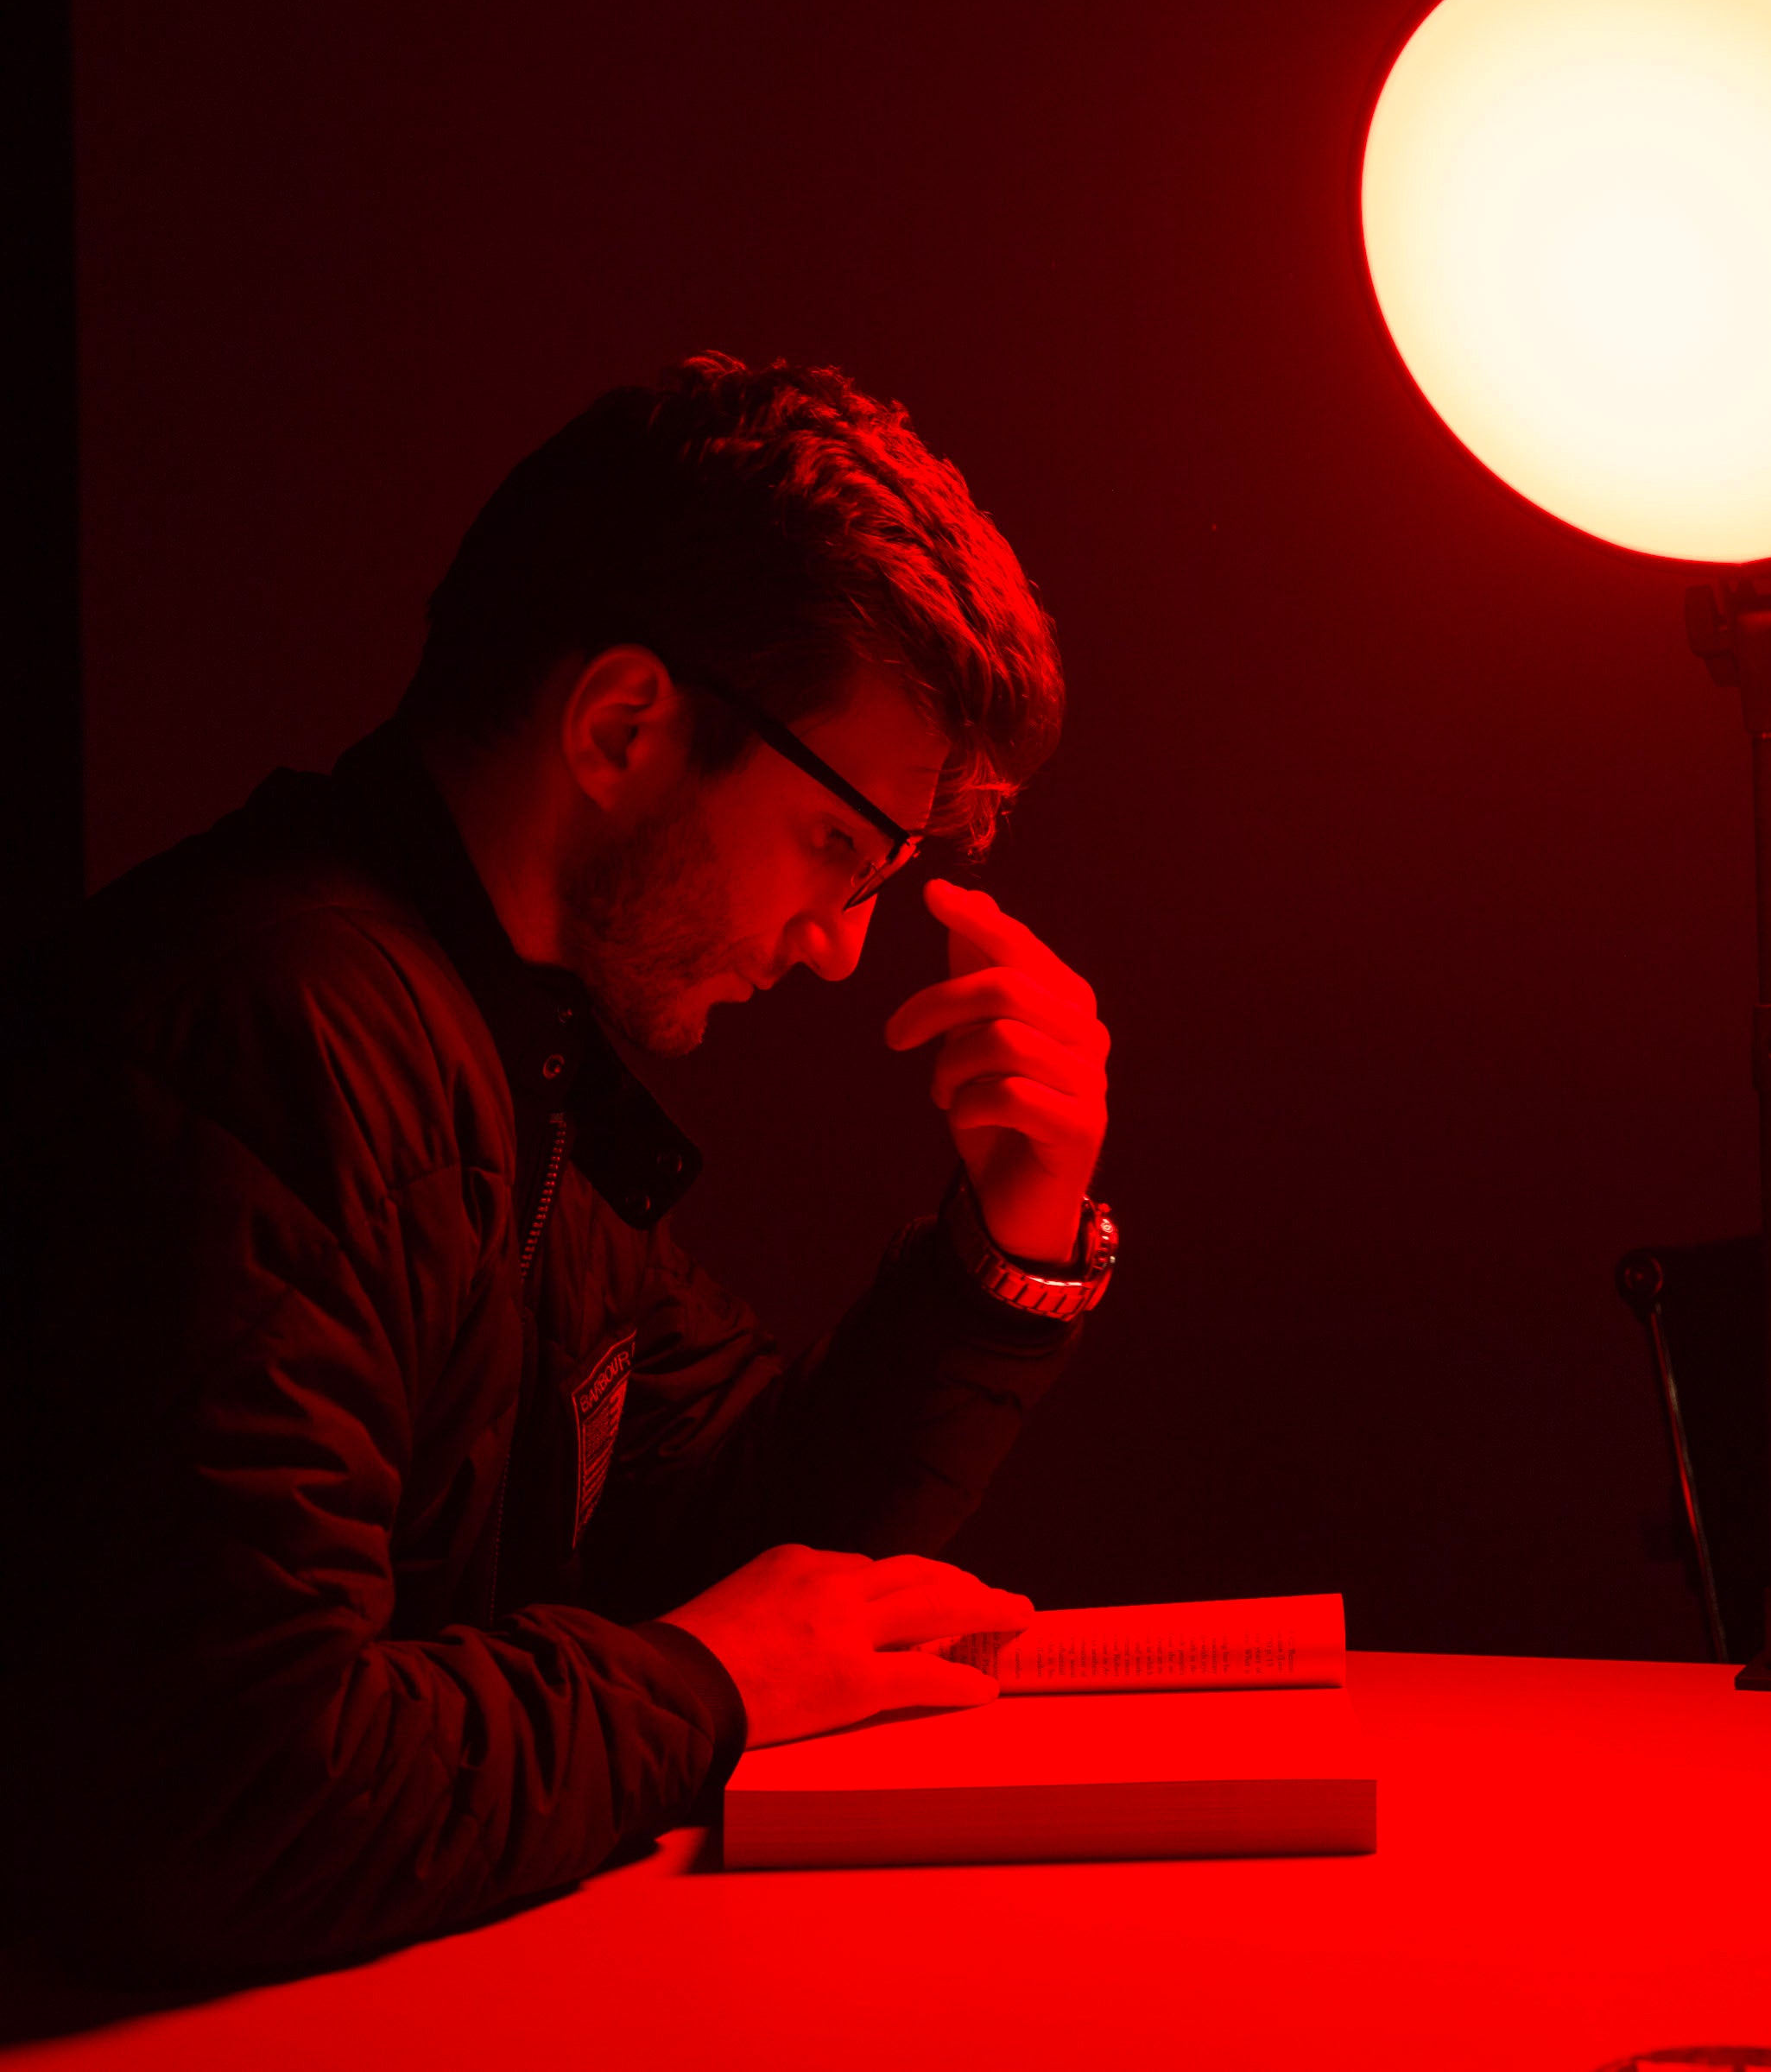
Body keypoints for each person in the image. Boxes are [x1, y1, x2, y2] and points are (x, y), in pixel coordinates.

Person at [0, 353, 1115, 1980]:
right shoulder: (260, 1048)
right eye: (844, 849)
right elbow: (229, 1797)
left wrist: (1013, 1239)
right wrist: (702, 1691)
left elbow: (755, 1552)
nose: (836, 946)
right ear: (623, 725)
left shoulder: (507, 1051)